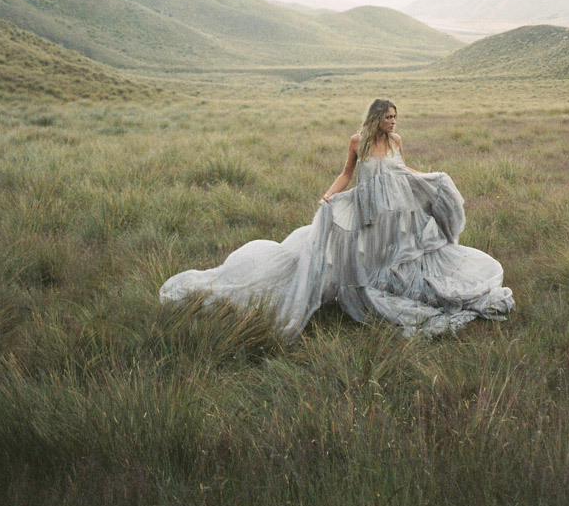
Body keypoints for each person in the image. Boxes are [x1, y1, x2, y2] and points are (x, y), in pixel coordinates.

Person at [159, 98, 514, 339]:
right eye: (388, 117)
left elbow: (403, 172)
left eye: (396, 117)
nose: (393, 122)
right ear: (376, 117)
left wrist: (431, 178)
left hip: (397, 212)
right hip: (368, 210)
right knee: (362, 257)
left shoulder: (396, 141)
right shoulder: (358, 141)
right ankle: (360, 290)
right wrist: (328, 196)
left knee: (398, 258)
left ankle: (393, 283)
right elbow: (346, 174)